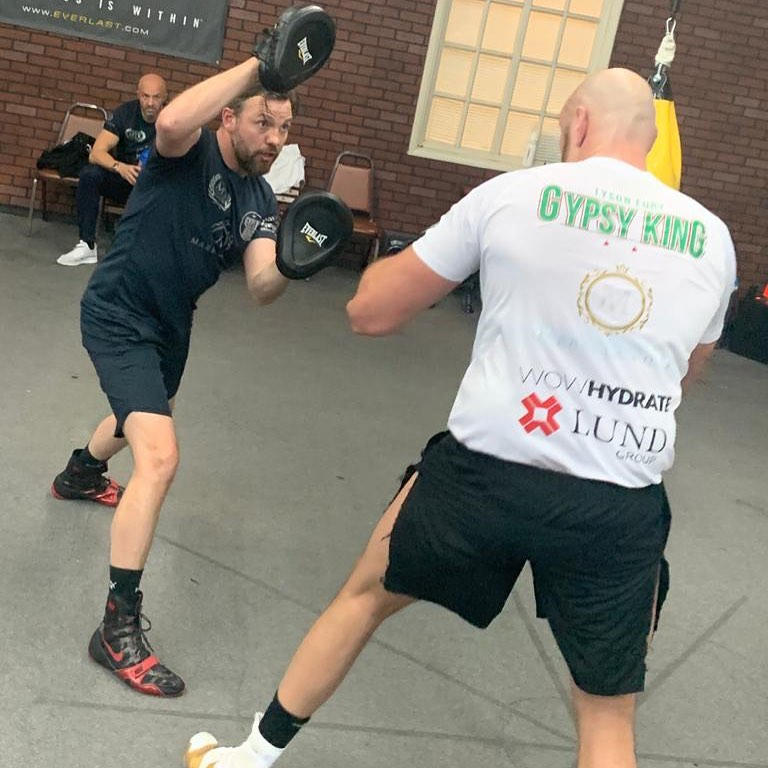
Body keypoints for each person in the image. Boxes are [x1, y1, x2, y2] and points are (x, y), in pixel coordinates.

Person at [184, 68, 736, 768]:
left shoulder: (513, 195)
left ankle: (250, 758)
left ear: (581, 125)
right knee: (607, 716)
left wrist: (334, 257)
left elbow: (371, 313)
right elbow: (689, 368)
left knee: (362, 599)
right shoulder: (713, 239)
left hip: (483, 477)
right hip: (616, 501)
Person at [50, 5, 338, 698]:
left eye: (286, 129)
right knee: (160, 455)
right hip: (120, 311)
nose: (275, 138)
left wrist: (298, 262)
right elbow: (174, 121)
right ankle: (116, 629)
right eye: (265, 121)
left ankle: (81, 473)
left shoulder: (259, 198)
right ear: (230, 119)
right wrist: (256, 66)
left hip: (171, 326)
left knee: (137, 415)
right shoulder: (189, 152)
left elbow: (262, 284)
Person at [56, 72, 168, 266]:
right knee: (90, 174)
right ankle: (87, 245)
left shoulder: (173, 119)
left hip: (155, 184)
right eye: (145, 96)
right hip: (125, 178)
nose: (150, 103)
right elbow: (96, 153)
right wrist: (120, 167)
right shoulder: (125, 113)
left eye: (156, 97)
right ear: (138, 95)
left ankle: (156, 253)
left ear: (164, 98)